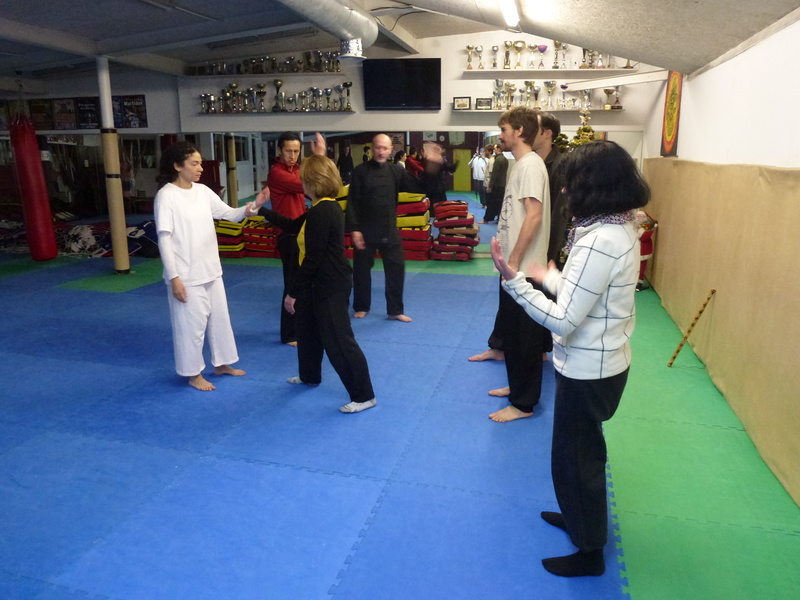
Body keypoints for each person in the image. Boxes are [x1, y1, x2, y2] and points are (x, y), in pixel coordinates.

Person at [489, 140, 650, 577]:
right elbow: (591, 293)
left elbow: (563, 319)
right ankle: (580, 517)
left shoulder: (601, 239)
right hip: (601, 361)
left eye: (572, 183)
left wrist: (515, 282)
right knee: (578, 455)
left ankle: (589, 550)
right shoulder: (618, 227)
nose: (565, 191)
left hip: (589, 370)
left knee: (576, 461)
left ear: (594, 186)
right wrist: (550, 277)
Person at [258, 154, 377, 413]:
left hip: (330, 285)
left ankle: (364, 395)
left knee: (339, 341)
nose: (301, 183)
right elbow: (292, 225)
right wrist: (260, 210)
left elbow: (313, 258)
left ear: (313, 181)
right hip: (318, 283)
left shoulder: (324, 211)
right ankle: (309, 375)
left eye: (304, 179)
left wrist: (292, 293)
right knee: (307, 330)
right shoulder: (319, 208)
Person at [154, 141, 266, 391]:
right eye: (194, 164)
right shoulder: (166, 196)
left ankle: (222, 364)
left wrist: (254, 205)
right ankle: (193, 373)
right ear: (178, 166)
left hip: (211, 270)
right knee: (191, 327)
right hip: (186, 274)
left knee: (220, 321)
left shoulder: (203, 191)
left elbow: (231, 214)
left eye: (200, 163)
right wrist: (174, 278)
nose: (200, 168)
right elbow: (165, 238)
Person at [487, 106, 550, 423]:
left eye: (504, 129)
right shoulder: (522, 165)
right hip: (513, 270)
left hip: (522, 271)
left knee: (525, 339)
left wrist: (512, 262)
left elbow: (534, 216)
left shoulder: (531, 166)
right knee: (513, 335)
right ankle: (517, 387)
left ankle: (524, 403)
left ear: (520, 131)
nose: (500, 135)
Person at [346, 133, 442, 323]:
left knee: (397, 269)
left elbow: (419, 187)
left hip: (389, 229)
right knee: (361, 270)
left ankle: (395, 310)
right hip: (365, 230)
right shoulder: (360, 171)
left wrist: (431, 165)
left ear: (391, 150)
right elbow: (352, 201)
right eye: (378, 148)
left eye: (385, 148)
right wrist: (354, 229)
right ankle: (362, 306)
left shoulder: (396, 171)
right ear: (372, 148)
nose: (381, 152)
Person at [265, 131, 326, 346]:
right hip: (287, 235)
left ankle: (300, 327)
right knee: (292, 283)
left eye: (296, 151)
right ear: (279, 151)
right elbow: (311, 185)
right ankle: (289, 334)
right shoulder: (277, 173)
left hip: (300, 232)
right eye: (288, 151)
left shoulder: (297, 169)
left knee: (303, 282)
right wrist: (319, 157)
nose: (292, 155)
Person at [534, 112, 571, 269]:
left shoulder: (562, 165)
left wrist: (549, 257)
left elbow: (559, 215)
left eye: (534, 128)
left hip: (547, 249)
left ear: (548, 133)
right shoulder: (529, 163)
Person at [482, 143, 507, 223]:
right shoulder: (505, 159)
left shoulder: (497, 160)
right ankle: (499, 218)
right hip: (502, 184)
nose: (494, 150)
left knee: (491, 203)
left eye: (495, 148)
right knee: (499, 203)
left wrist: (490, 186)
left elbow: (494, 174)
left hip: (496, 185)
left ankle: (486, 219)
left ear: (499, 149)